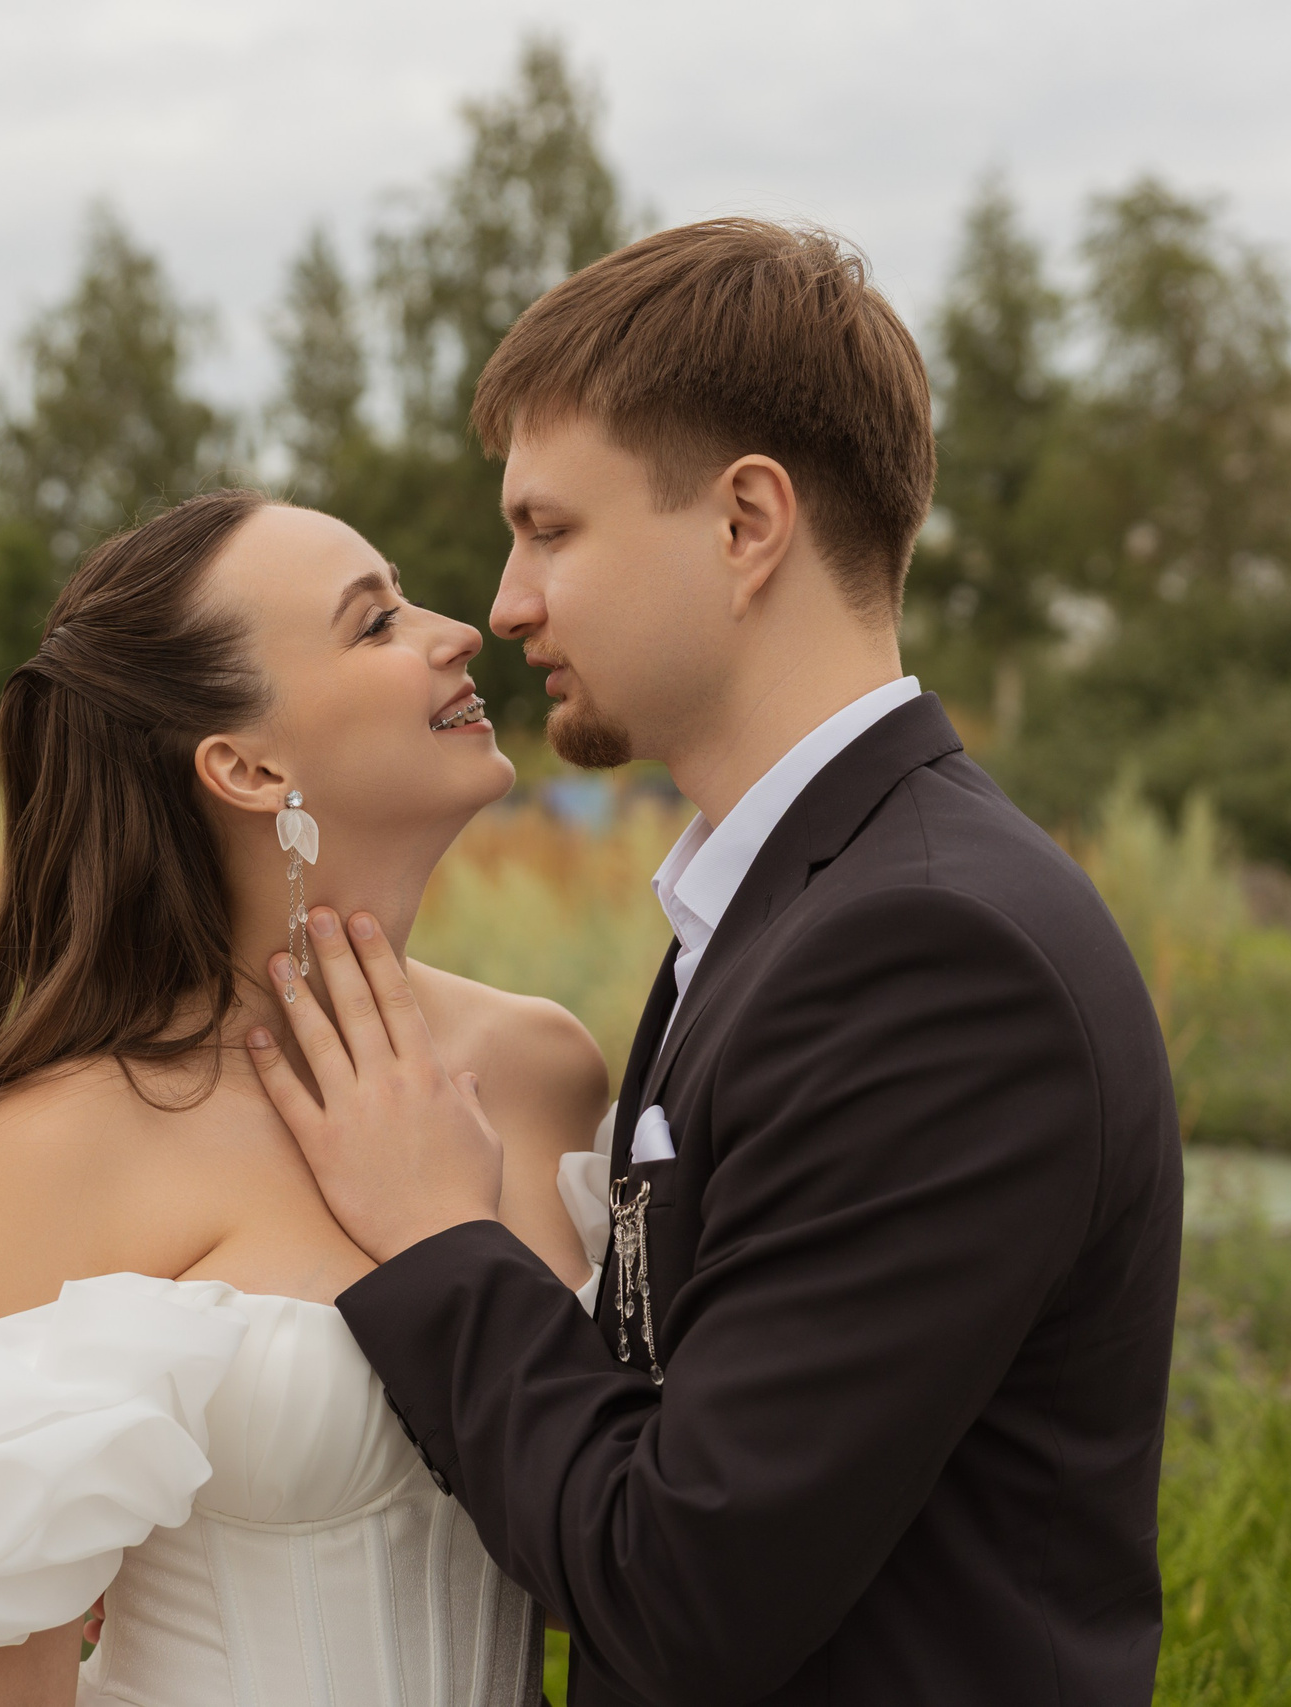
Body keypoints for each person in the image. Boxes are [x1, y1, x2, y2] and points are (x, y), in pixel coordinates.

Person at [245, 218, 1184, 1705]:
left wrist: (434, 1240)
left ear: (748, 521)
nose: (506, 603)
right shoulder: (795, 905)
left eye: (552, 529)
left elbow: (685, 1582)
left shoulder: (932, 955)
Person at [0, 489, 613, 1704]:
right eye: (373, 624)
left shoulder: (547, 1071)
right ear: (245, 766)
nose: (456, 629)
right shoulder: (71, 1140)